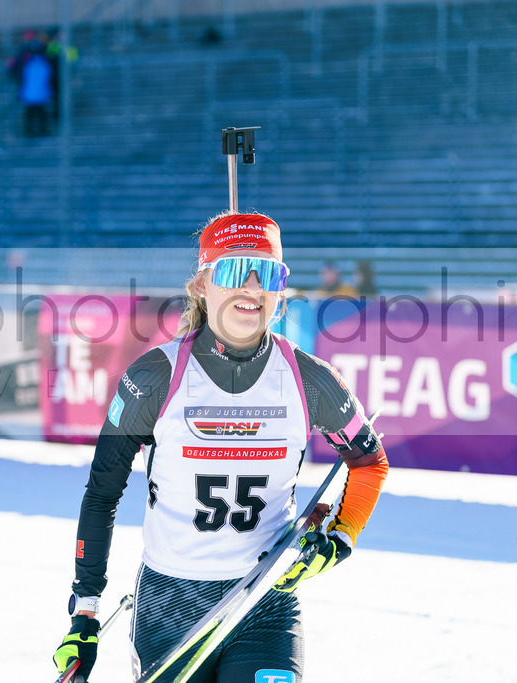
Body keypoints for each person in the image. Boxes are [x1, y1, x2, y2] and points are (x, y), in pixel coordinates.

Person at [53, 212, 389, 682]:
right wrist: (84, 614)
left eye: (268, 274)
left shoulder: (311, 381)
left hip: (266, 602)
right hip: (170, 606)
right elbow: (103, 493)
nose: (252, 288)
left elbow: (369, 463)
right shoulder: (153, 379)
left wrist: (340, 537)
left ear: (280, 291)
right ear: (202, 285)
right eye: (233, 271)